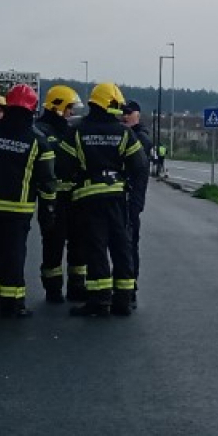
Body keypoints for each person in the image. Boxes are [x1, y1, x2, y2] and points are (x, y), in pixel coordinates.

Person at [0, 84, 55, 317]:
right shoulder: (37, 140)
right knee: (13, 255)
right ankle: (12, 303)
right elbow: (47, 180)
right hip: (18, 210)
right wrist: (49, 208)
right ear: (32, 109)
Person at [71, 82, 146, 317]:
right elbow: (140, 166)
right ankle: (123, 299)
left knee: (96, 248)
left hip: (88, 198)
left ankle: (99, 301)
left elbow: (63, 164)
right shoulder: (124, 133)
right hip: (116, 197)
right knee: (120, 246)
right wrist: (135, 201)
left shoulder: (78, 130)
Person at [35, 85, 84, 304]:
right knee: (53, 245)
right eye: (68, 108)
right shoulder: (41, 130)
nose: (71, 113)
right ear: (57, 106)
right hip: (52, 199)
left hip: (74, 198)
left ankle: (77, 287)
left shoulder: (70, 130)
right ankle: (53, 289)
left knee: (78, 244)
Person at [123, 99, 153, 296]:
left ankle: (130, 284)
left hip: (133, 197)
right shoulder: (125, 133)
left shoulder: (141, 137)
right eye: (123, 112)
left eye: (129, 112)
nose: (125, 116)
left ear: (138, 115)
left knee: (129, 242)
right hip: (122, 196)